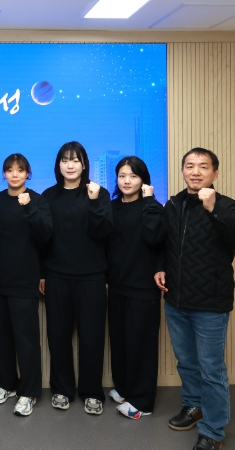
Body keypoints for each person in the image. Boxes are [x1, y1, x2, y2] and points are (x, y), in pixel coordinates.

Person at [154, 148, 235, 450]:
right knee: (186, 362)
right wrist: (160, 267)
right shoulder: (173, 204)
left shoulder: (227, 205)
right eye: (190, 166)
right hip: (176, 300)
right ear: (183, 171)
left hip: (211, 303)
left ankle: (212, 431)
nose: (195, 171)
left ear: (215, 173)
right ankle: (193, 405)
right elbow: (164, 243)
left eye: (203, 166)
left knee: (212, 370)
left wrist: (214, 209)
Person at [41, 141, 113, 416]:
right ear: (58, 165)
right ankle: (61, 389)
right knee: (58, 336)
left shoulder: (98, 193)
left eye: (75, 160)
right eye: (65, 160)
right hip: (57, 276)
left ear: (84, 164)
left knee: (92, 337)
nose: (70, 165)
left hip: (92, 277)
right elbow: (42, 239)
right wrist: (42, 274)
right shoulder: (48, 195)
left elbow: (103, 232)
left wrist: (93, 201)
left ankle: (92, 392)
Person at [0, 154, 52, 416]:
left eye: (20, 170)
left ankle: (29, 392)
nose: (15, 174)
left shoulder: (38, 200)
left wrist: (29, 208)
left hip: (25, 280)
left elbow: (45, 236)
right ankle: (7, 384)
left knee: (26, 340)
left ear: (28, 174)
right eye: (10, 170)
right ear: (4, 174)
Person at [105, 156, 164, 420]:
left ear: (143, 180)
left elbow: (155, 237)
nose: (127, 181)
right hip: (117, 285)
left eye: (133, 176)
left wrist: (149, 201)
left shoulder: (152, 207)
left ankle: (142, 402)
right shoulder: (111, 207)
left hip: (143, 287)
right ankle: (125, 388)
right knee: (120, 342)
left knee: (141, 344)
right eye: (122, 176)